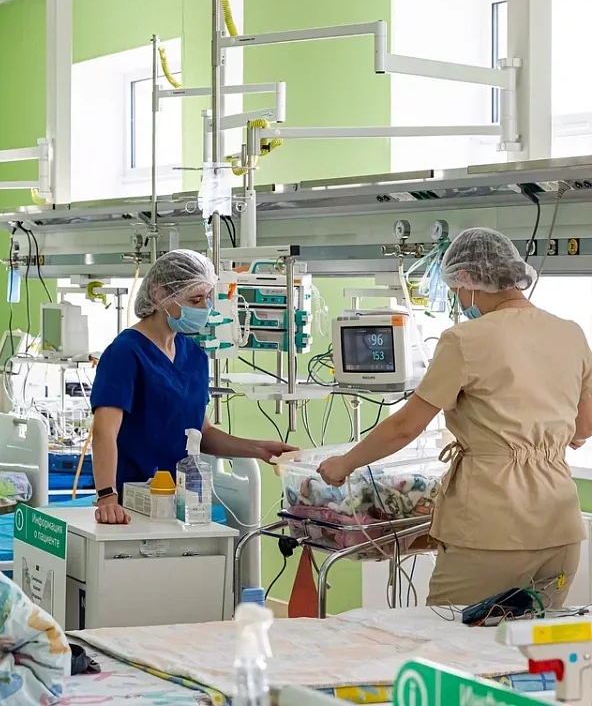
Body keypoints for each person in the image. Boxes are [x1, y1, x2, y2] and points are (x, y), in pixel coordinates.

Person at [317, 227, 592, 608]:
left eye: (454, 291)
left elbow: (404, 426)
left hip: (493, 527)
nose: (459, 301)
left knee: (450, 638)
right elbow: (584, 427)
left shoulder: (465, 339)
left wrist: (344, 464)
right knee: (530, 639)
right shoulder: (570, 333)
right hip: (559, 526)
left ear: (467, 279)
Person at [90, 249, 297, 525]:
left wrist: (259, 449)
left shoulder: (194, 355)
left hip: (179, 500)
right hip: (132, 501)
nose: (204, 308)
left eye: (207, 298)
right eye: (195, 299)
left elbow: (202, 433)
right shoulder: (125, 353)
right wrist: (107, 497)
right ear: (160, 295)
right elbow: (104, 431)